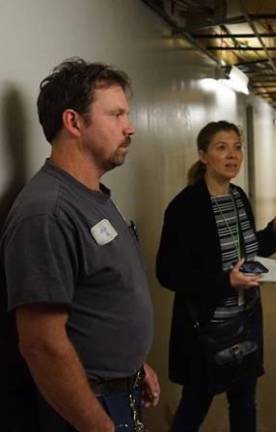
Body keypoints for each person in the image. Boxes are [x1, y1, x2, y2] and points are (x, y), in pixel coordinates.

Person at [1, 58, 160, 431]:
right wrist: (98, 426)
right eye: (116, 115)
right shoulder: (48, 213)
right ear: (73, 122)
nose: (130, 127)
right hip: (86, 408)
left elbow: (101, 300)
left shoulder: (92, 196)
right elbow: (43, 344)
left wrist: (134, 364)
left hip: (118, 392)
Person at [156, 120, 276, 432]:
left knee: (244, 401)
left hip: (246, 318)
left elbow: (250, 250)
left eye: (237, 147)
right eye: (222, 148)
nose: (232, 155)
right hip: (207, 327)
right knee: (195, 405)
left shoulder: (238, 197)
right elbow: (167, 272)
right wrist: (224, 282)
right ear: (203, 155)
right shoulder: (185, 207)